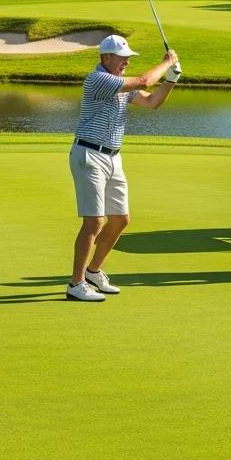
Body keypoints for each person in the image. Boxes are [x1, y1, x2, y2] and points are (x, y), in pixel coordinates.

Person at [66, 35, 180, 302]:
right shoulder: (98, 79)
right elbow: (144, 81)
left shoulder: (119, 84)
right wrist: (167, 62)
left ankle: (94, 271)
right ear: (105, 58)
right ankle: (76, 283)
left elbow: (152, 101)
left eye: (128, 58)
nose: (126, 62)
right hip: (89, 154)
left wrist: (171, 79)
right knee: (94, 221)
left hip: (113, 157)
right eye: (122, 58)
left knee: (120, 219)